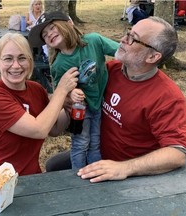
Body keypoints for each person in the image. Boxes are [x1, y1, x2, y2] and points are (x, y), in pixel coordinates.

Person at [46, 16, 186, 182]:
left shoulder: (167, 97)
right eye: (128, 33)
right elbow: (80, 101)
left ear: (152, 57)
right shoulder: (111, 70)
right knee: (53, 166)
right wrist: (65, 103)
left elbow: (177, 153)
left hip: (128, 171)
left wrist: (124, 168)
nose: (122, 39)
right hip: (95, 151)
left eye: (133, 39)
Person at [0, 32, 79, 190]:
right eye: (8, 59)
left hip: (28, 180)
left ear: (30, 62)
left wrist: (67, 107)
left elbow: (53, 128)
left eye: (22, 58)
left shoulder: (36, 90)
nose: (16, 65)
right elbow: (39, 129)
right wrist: (61, 91)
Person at [29, 11, 119, 169]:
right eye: (44, 34)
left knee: (95, 142)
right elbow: (60, 90)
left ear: (68, 22)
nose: (49, 34)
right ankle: (76, 178)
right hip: (81, 110)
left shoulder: (94, 41)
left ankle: (95, 172)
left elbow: (120, 51)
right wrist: (71, 93)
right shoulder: (59, 64)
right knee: (81, 143)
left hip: (100, 104)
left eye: (51, 27)